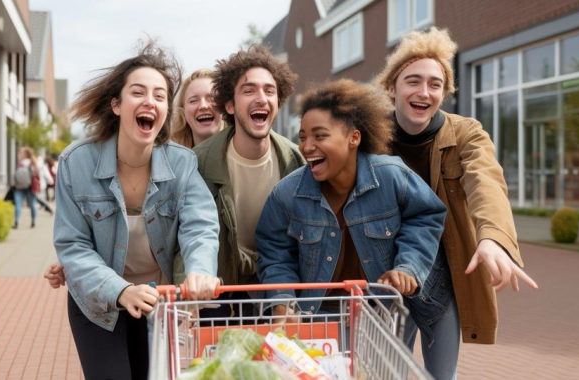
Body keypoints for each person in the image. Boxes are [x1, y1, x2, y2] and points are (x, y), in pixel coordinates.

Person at [372, 27, 538, 379]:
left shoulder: (467, 133)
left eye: (435, 84)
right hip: (386, 275)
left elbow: (486, 181)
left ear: (444, 93)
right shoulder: (369, 137)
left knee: (442, 376)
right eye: (413, 81)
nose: (424, 92)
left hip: (443, 278)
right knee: (384, 370)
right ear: (392, 88)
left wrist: (492, 238)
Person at [53, 41, 221, 380]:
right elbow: (72, 244)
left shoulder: (182, 162)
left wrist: (199, 270)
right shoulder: (76, 162)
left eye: (160, 96)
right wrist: (120, 290)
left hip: (156, 301)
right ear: (116, 104)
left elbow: (200, 226)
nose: (150, 101)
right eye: (138, 92)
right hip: (98, 303)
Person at [255, 79, 446, 319]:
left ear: (353, 138)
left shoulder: (391, 176)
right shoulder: (286, 194)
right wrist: (283, 304)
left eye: (320, 136)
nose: (307, 146)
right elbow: (275, 255)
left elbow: (425, 217)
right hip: (316, 316)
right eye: (302, 137)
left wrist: (408, 267)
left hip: (378, 315)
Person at [172, 45, 304, 319]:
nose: (261, 98)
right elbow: (183, 233)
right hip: (216, 289)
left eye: (269, 91)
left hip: (274, 285)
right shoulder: (197, 163)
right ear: (229, 105)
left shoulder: (295, 161)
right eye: (249, 90)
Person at [171, 68, 223, 148]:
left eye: (212, 99)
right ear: (183, 110)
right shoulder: (171, 158)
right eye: (193, 101)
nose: (203, 106)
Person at [13, 147, 39, 229]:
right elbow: (36, 174)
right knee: (32, 205)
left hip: (19, 187)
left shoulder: (20, 163)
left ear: (24, 154)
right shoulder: (32, 162)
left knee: (18, 204)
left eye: (20, 153)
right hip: (30, 187)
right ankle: (33, 222)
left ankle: (16, 221)